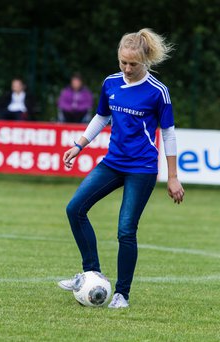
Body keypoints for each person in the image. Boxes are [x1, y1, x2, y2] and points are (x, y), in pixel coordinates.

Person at [58, 28, 184, 308]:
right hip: (113, 163)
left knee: (126, 229)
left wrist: (173, 177)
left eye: (133, 64)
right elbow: (102, 117)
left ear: (145, 60)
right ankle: (91, 273)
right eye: (123, 62)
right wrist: (79, 145)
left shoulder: (158, 92)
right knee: (74, 209)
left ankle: (121, 294)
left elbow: (169, 134)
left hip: (142, 168)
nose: (127, 68)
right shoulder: (110, 83)